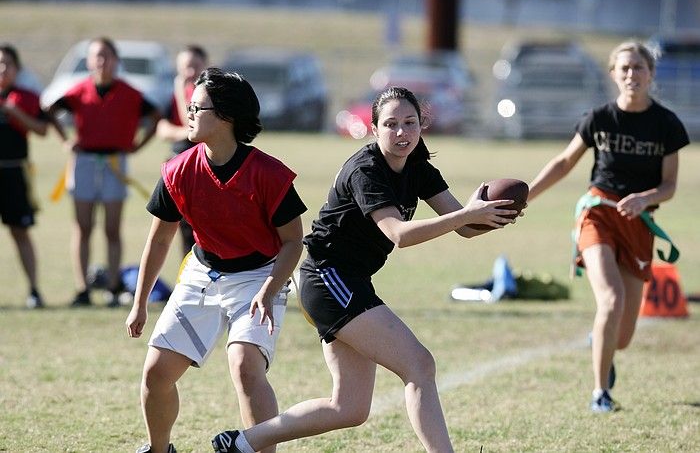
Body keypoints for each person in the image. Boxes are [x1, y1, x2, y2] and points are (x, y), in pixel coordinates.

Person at [211, 86, 520, 453]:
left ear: (421, 125)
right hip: (326, 278)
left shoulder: (417, 166)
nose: (402, 132)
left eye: (410, 123)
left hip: (348, 280)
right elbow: (399, 234)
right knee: (419, 365)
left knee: (350, 408)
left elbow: (464, 226)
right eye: (391, 124)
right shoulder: (366, 170)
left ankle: (242, 442)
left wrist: (491, 214)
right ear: (374, 129)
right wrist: (467, 214)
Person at [126, 68, 306, 453]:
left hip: (260, 276)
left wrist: (271, 287)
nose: (188, 114)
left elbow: (293, 242)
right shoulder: (178, 170)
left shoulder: (268, 173)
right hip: (203, 272)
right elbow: (159, 240)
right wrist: (140, 302)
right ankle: (159, 450)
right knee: (156, 374)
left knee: (245, 367)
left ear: (226, 116)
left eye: (197, 107)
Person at [527, 41, 689, 413]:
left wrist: (645, 198)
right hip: (598, 213)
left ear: (650, 74)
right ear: (613, 74)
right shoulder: (599, 118)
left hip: (639, 222)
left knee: (625, 335)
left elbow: (670, 185)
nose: (632, 74)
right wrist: (527, 195)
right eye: (625, 68)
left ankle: (604, 340)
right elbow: (565, 162)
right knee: (610, 299)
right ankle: (600, 393)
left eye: (639, 68)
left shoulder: (667, 124)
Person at [45, 37, 161, 307]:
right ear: (89, 61)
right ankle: (82, 288)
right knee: (83, 227)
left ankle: (112, 286)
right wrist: (65, 140)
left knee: (112, 228)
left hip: (114, 162)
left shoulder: (129, 93)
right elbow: (50, 110)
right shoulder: (79, 90)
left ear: (116, 61)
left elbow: (156, 117)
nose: (102, 61)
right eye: (97, 56)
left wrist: (138, 145)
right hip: (84, 161)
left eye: (107, 56)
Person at [0, 44, 49, 309]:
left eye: (7, 64)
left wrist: (14, 112)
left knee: (21, 231)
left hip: (14, 172)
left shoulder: (26, 98)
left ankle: (34, 289)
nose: (2, 69)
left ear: (17, 69)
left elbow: (42, 129)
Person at [156, 45, 208, 256]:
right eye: (185, 68)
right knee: (181, 228)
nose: (190, 73)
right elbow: (162, 129)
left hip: (201, 166)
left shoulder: (205, 96)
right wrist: (182, 133)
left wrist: (179, 90)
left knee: (198, 227)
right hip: (179, 164)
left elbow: (192, 121)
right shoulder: (176, 94)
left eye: (195, 66)